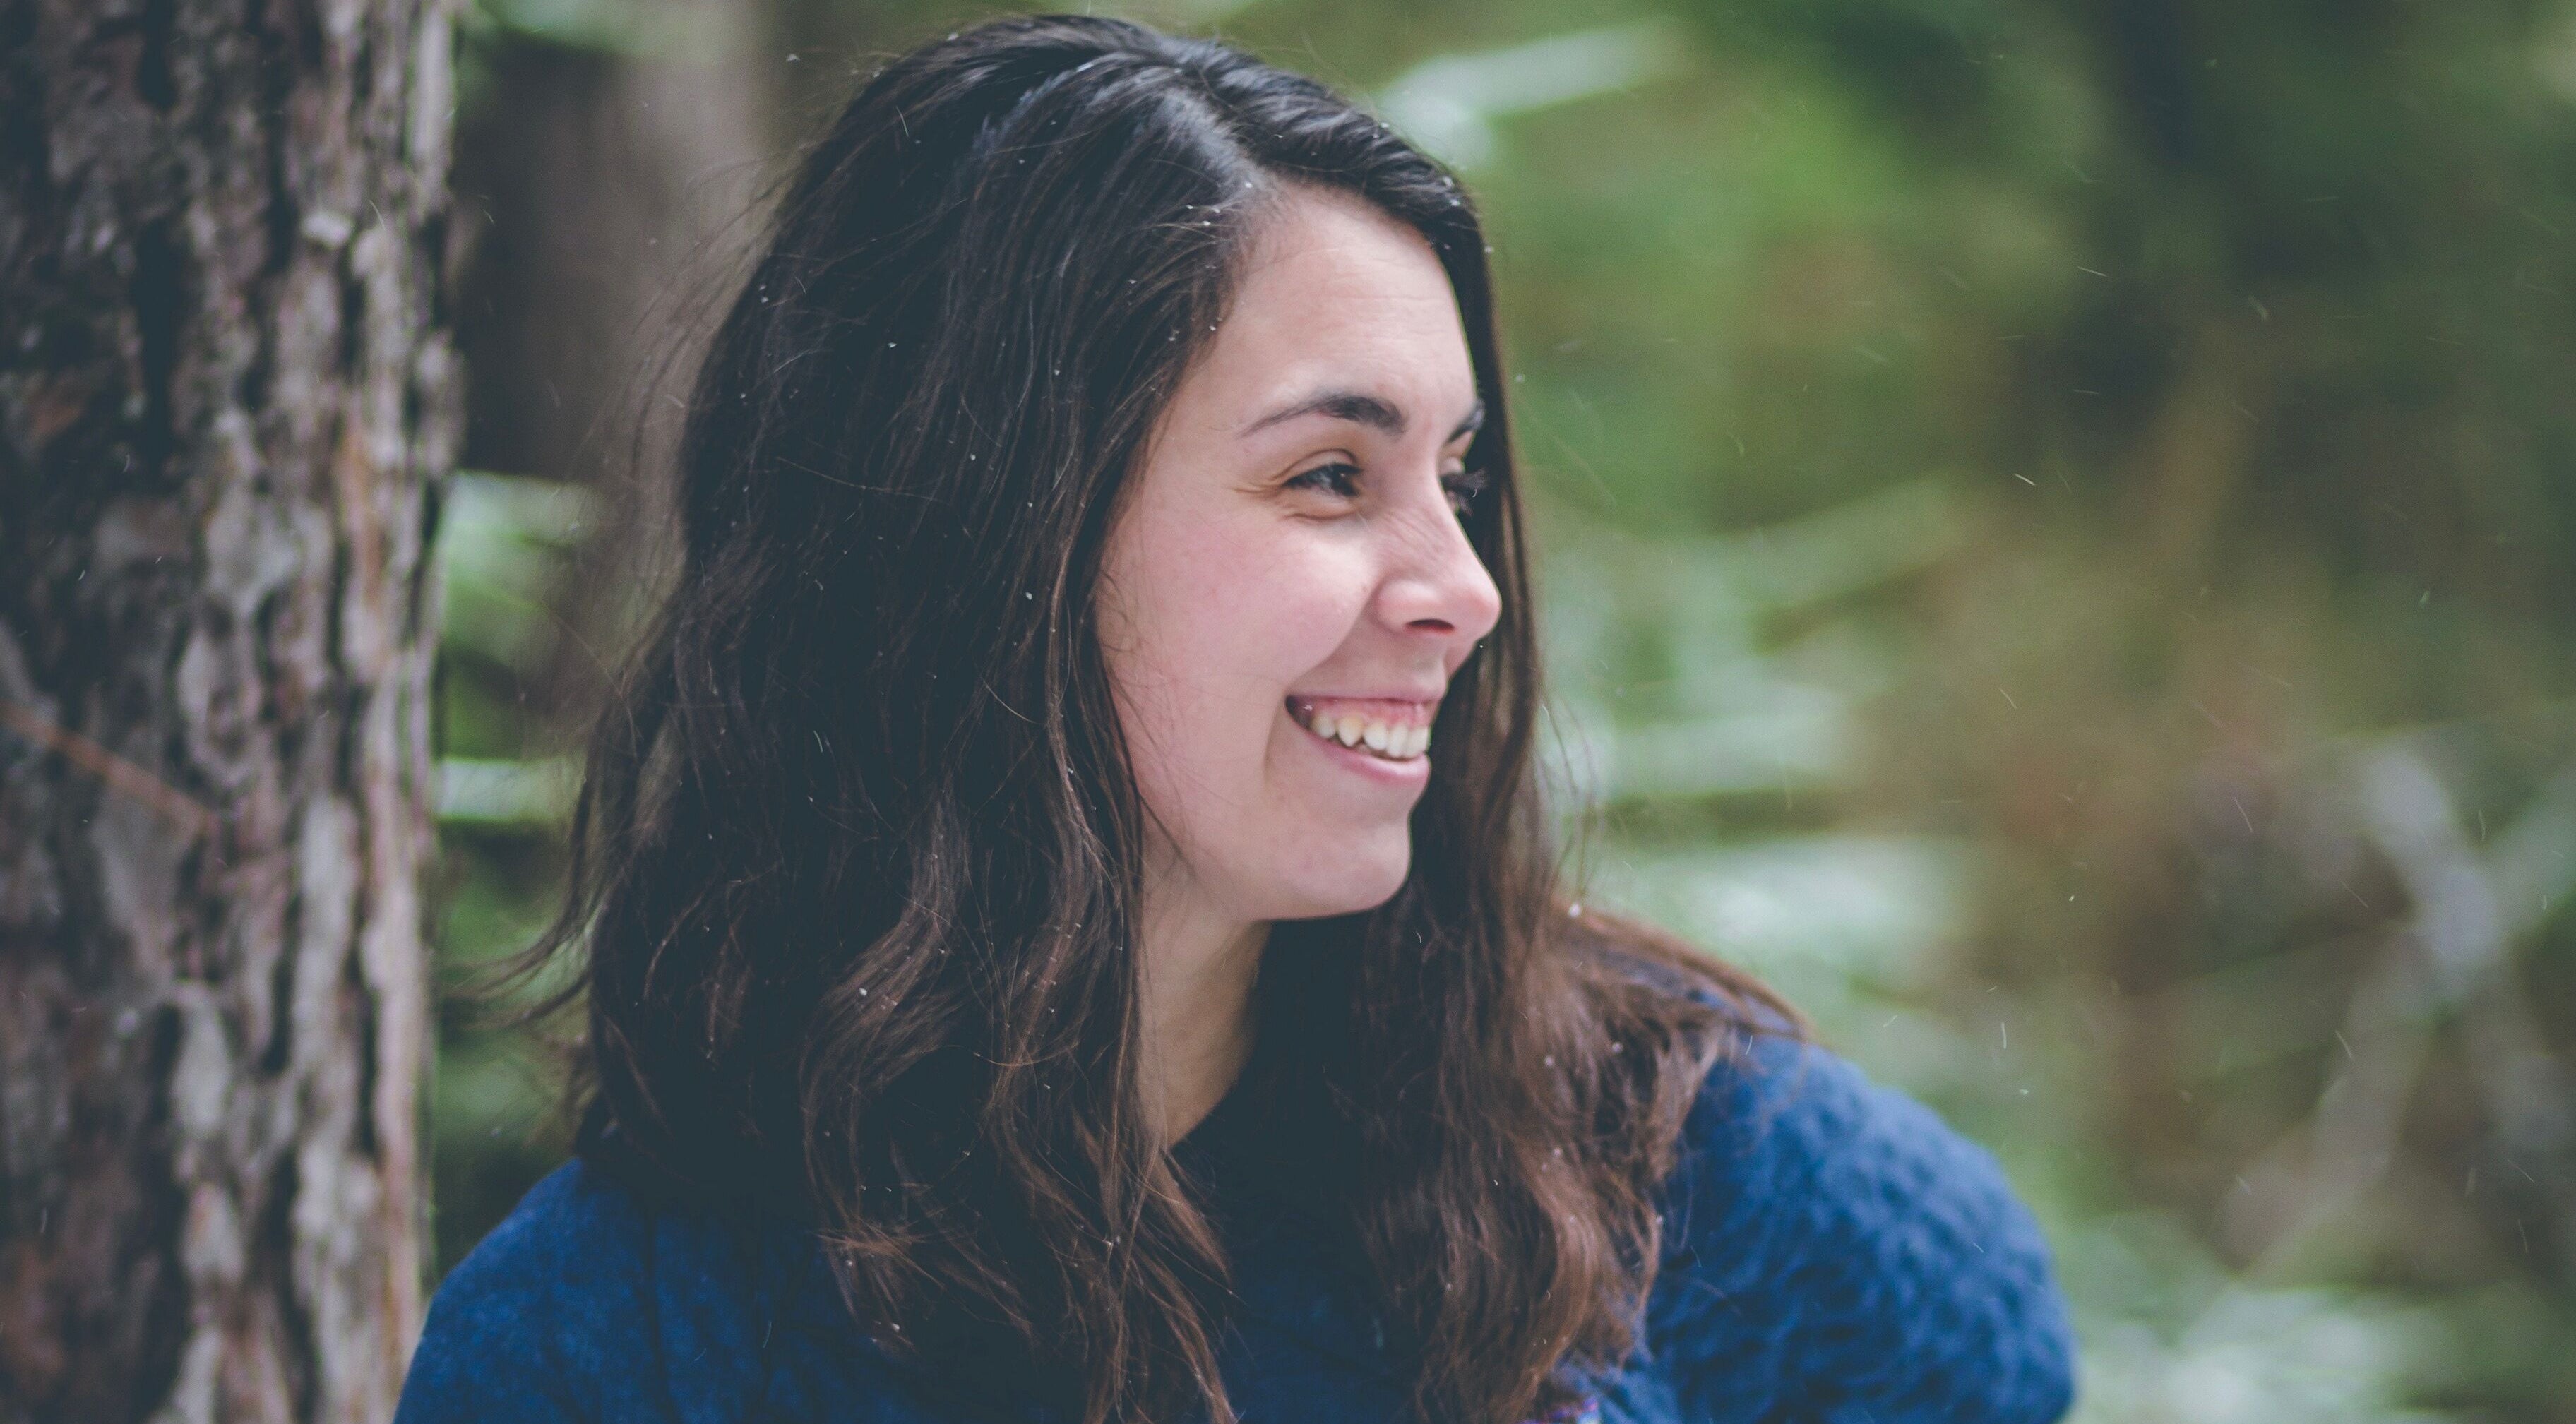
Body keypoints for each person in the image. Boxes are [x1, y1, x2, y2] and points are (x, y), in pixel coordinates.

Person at [394, 14, 2077, 1424]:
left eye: (1457, 478)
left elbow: (1991, 1357)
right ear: (996, 539)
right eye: (1330, 475)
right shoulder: (613, 1351)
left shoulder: (1667, 1165)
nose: (1467, 587)